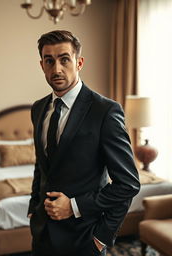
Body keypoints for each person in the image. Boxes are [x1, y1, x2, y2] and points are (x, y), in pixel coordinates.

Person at [28, 30, 140, 256]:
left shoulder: (105, 111)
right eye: (49, 61)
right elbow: (42, 165)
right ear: (42, 66)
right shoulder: (38, 109)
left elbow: (127, 184)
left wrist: (100, 237)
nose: (56, 69)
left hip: (84, 237)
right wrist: (34, 207)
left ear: (79, 62)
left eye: (64, 59)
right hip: (42, 234)